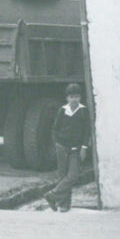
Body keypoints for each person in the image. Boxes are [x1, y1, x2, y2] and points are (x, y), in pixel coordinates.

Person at [43, 83, 91, 213]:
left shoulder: (83, 111)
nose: (74, 99)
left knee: (73, 176)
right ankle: (63, 205)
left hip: (75, 149)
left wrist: (84, 147)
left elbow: (87, 131)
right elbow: (55, 129)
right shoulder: (62, 110)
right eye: (71, 97)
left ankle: (52, 195)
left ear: (80, 97)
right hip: (62, 147)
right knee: (62, 176)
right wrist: (57, 144)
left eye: (76, 96)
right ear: (67, 99)